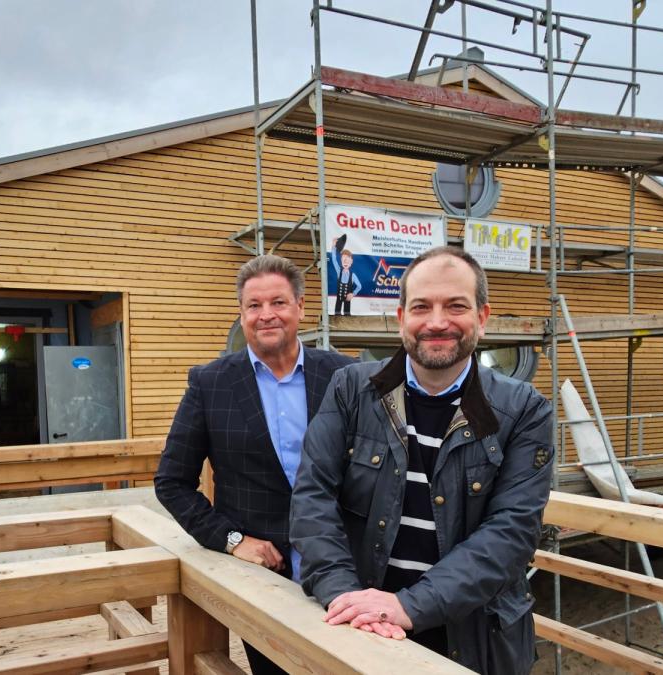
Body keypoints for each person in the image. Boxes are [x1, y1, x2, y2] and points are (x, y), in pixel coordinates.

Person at [291, 246, 553, 674]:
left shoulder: (524, 411)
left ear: (482, 318)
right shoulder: (350, 390)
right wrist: (342, 594)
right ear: (400, 320)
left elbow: (512, 532)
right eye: (421, 306)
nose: (436, 322)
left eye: (456, 306)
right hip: (361, 626)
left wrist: (409, 605)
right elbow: (311, 498)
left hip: (473, 639)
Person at [155, 254, 355, 675]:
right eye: (254, 306)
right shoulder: (210, 384)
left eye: (279, 303)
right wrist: (231, 540)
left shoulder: (344, 375)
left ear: (301, 308)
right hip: (265, 574)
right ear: (242, 314)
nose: (267, 315)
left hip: (346, 564)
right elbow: (172, 482)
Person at [332, 235, 362, 316]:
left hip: (347, 300)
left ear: (351, 261)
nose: (345, 262)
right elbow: (334, 259)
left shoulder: (353, 275)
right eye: (343, 260)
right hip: (339, 299)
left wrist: (353, 294)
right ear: (341, 261)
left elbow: (359, 286)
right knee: (337, 314)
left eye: (347, 260)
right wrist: (334, 246)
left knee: (347, 314)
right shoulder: (339, 271)